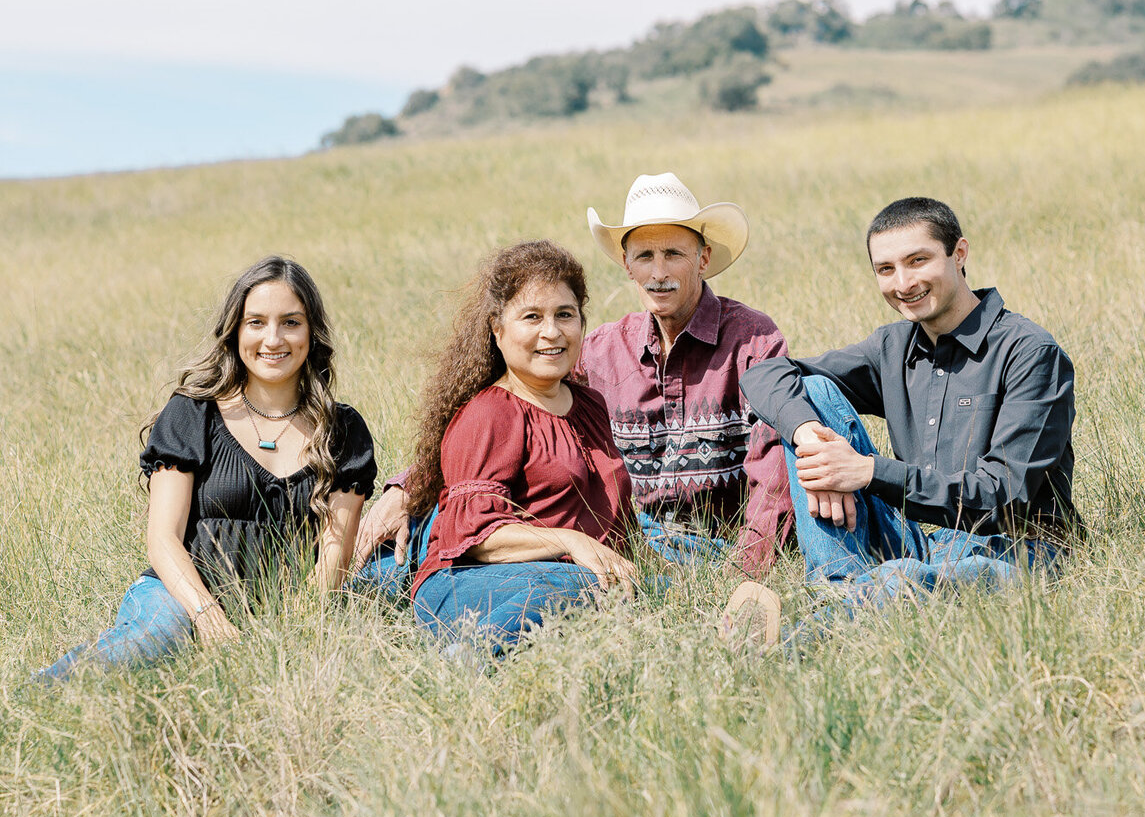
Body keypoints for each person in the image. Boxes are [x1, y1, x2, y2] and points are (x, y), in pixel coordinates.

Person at [728, 196, 1077, 640]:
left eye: (918, 261)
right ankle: (843, 587)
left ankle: (800, 633)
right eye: (886, 269)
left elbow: (1005, 492)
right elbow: (765, 375)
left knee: (902, 579)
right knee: (810, 393)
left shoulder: (1030, 353)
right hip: (915, 538)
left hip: (1013, 550)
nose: (904, 282)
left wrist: (868, 471)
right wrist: (809, 435)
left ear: (960, 254)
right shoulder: (891, 348)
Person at [38, 256, 377, 680]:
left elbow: (335, 555)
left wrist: (290, 631)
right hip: (180, 597)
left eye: (290, 322)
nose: (273, 339)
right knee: (157, 638)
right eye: (256, 322)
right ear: (235, 330)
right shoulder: (192, 413)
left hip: (286, 610)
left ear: (312, 332)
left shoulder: (343, 431)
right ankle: (34, 697)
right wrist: (210, 620)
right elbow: (162, 540)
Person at [407, 240, 638, 656]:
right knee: (580, 586)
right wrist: (570, 542)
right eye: (532, 317)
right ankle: (468, 660)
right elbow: (474, 536)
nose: (551, 332)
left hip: (560, 577)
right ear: (497, 329)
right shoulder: (490, 413)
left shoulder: (590, 405)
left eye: (564, 315)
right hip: (464, 585)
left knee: (629, 588)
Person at [577, 171, 792, 574]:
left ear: (703, 259)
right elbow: (525, 409)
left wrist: (745, 570)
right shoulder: (599, 351)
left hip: (719, 548)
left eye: (674, 254)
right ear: (627, 265)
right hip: (627, 544)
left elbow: (776, 469)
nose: (658, 273)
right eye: (644, 257)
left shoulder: (753, 340)